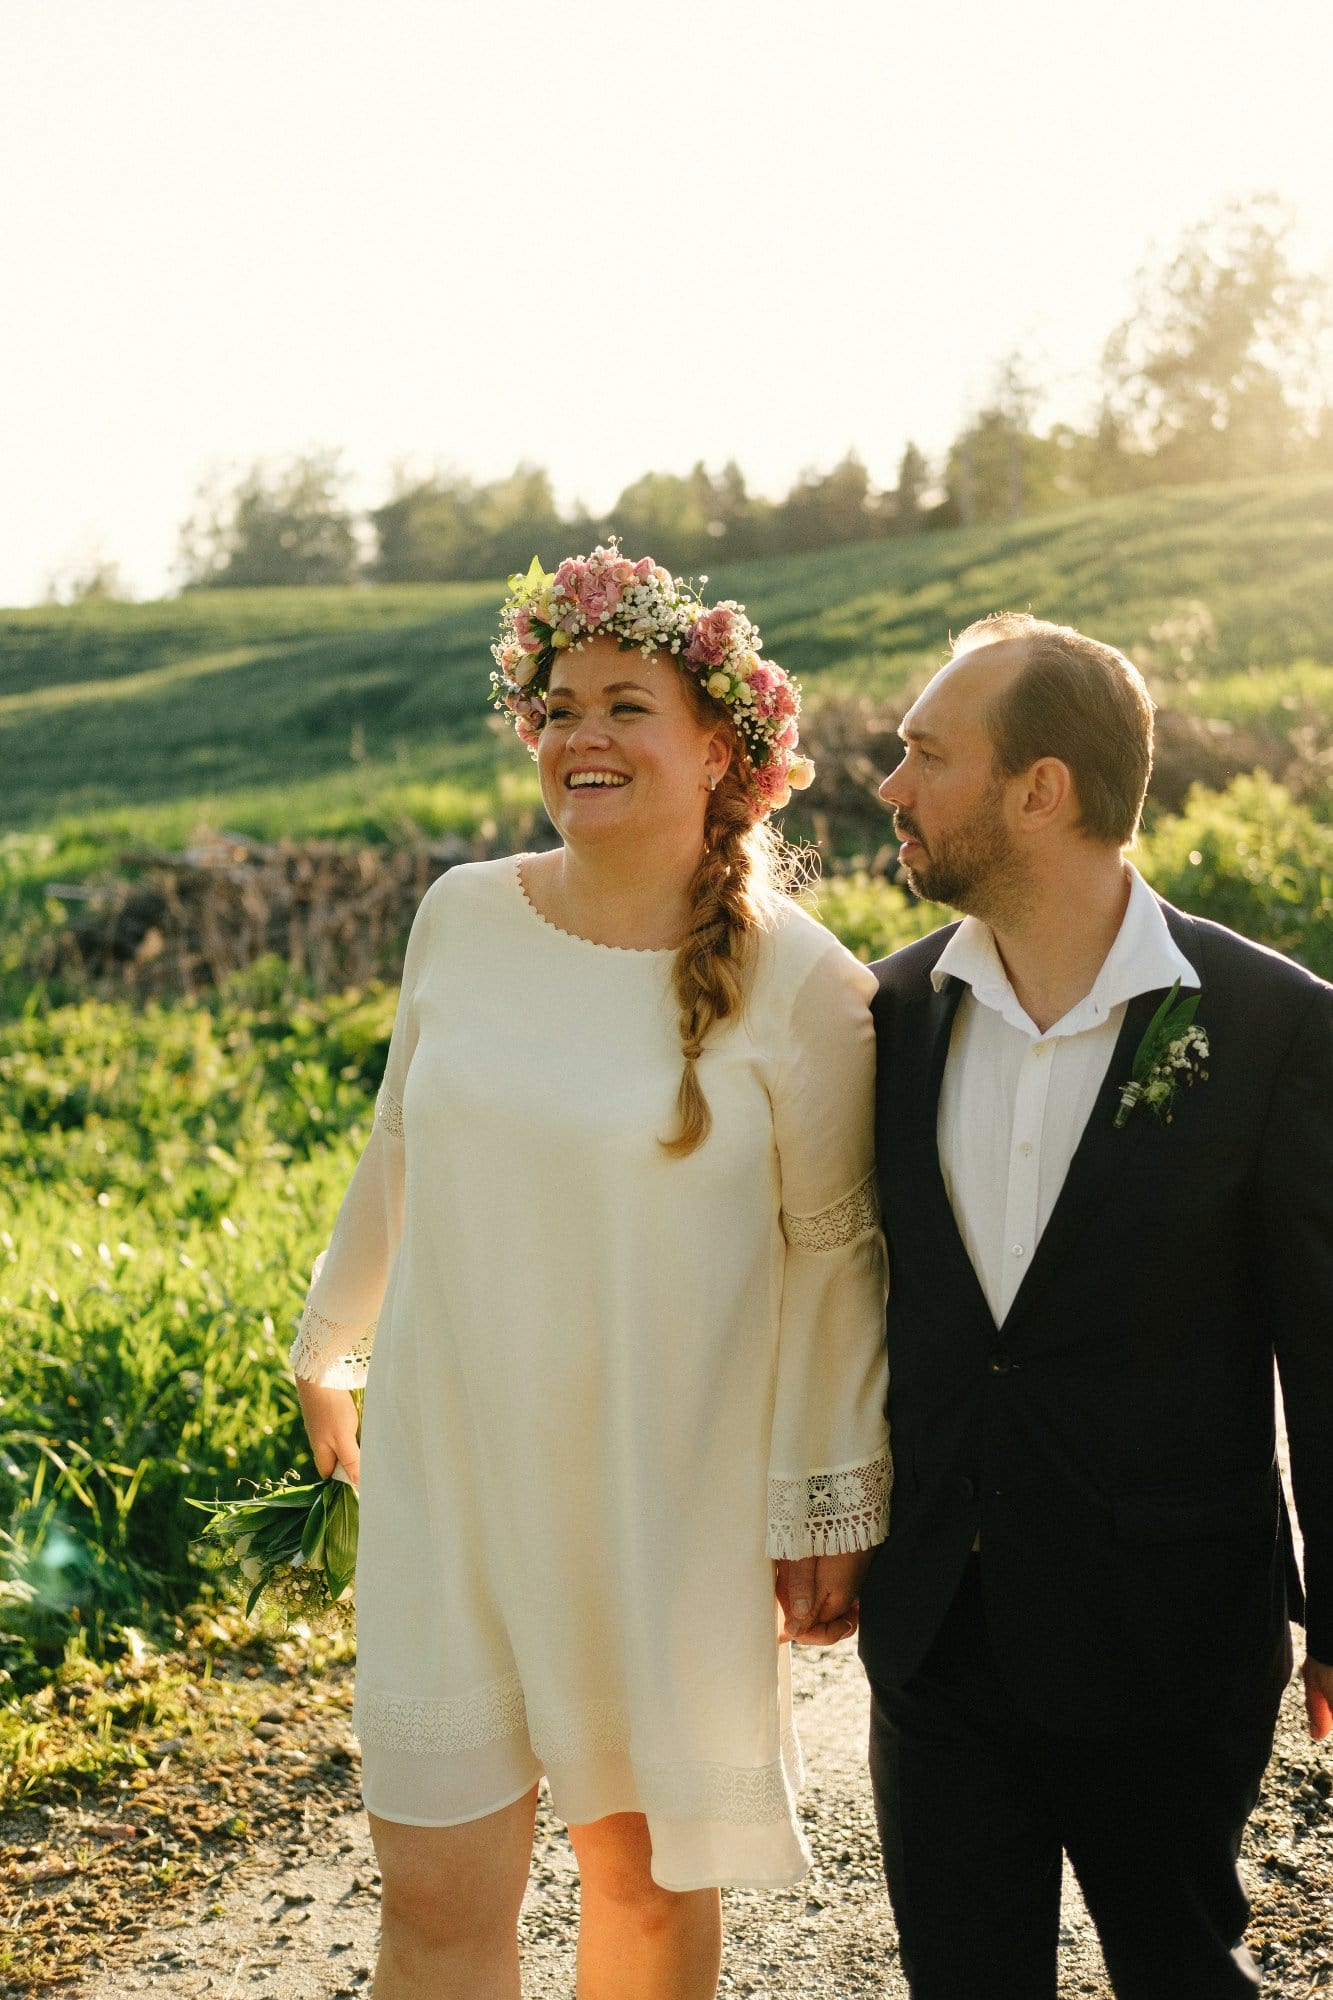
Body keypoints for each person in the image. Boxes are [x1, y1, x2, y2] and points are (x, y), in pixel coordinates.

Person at [290, 544, 890, 2000]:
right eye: (557, 705)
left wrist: (821, 1498)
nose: (581, 738)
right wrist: (332, 1340)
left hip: (656, 1505)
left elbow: (833, 1264)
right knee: (431, 1894)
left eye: (625, 705)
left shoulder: (806, 984)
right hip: (457, 1483)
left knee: (634, 1890)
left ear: (719, 749)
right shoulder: (462, 913)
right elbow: (399, 1144)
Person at [857, 611, 1332, 2000]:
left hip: (1167, 1634)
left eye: (922, 755)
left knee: (1181, 1973)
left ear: (1040, 789)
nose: (889, 787)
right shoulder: (879, 1019)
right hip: (935, 1626)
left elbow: (1327, 1343)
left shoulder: (1271, 1029)